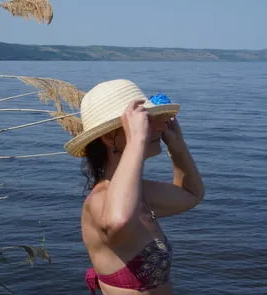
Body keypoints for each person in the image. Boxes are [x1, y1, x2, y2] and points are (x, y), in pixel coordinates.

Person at [64, 79, 205, 295]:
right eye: (145, 121)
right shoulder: (100, 200)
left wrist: (178, 147)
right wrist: (137, 140)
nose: (160, 126)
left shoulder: (142, 193)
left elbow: (191, 194)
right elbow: (119, 221)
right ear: (110, 139)